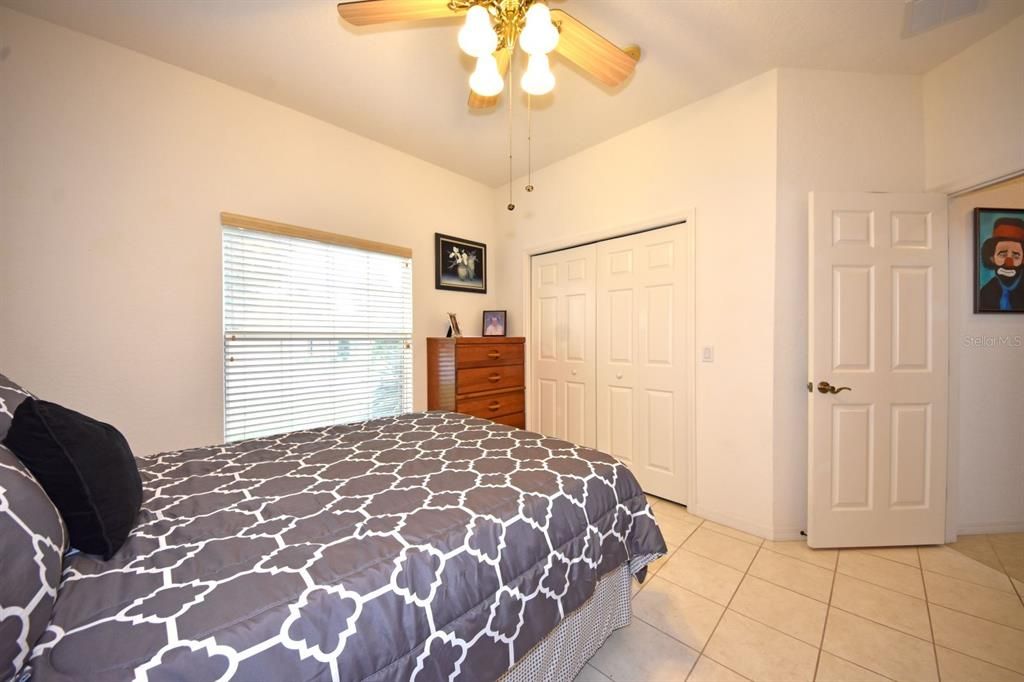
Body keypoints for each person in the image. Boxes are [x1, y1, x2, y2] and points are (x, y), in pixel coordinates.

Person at [978, 218, 1024, 312]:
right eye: (1002, 254)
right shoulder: (985, 293)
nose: (1008, 262)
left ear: (1023, 259)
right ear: (992, 257)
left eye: (1016, 255)